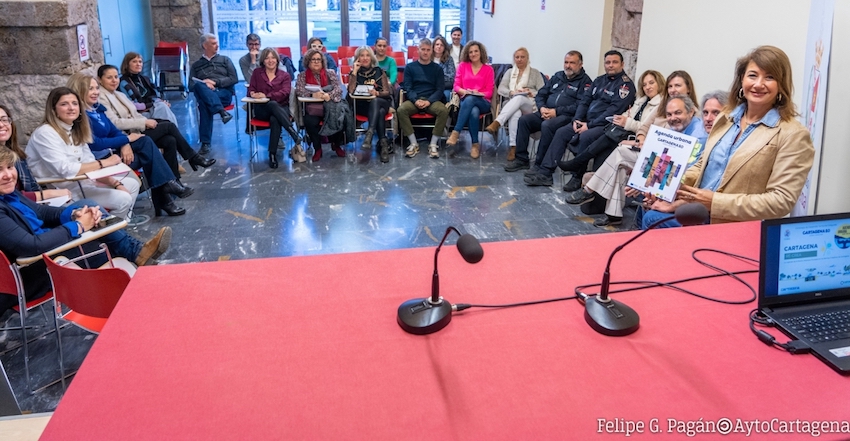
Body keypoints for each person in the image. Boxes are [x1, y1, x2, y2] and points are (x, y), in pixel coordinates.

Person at [640, 46, 814, 228]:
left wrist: (715, 202)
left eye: (769, 77)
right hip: (698, 212)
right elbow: (703, 164)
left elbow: (781, 201)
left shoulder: (793, 134)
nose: (758, 84)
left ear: (781, 84)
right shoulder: (726, 118)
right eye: (752, 75)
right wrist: (672, 184)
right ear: (742, 79)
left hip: (735, 226)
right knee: (649, 213)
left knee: (652, 219)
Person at [0, 148, 171, 317]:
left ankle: (139, 269)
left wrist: (75, 214)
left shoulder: (10, 194)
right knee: (102, 246)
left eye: (10, 167)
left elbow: (41, 212)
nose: (8, 175)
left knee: (87, 209)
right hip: (28, 274)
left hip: (44, 251)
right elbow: (32, 246)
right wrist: (79, 226)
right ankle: (143, 298)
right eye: (0, 170)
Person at [566, 94, 708, 226]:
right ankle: (613, 214)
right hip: (661, 168)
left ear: (691, 112)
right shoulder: (674, 128)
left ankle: (590, 191)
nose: (672, 118)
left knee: (621, 157)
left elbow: (684, 171)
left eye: (678, 113)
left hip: (679, 181)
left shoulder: (698, 135)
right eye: (669, 114)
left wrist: (646, 179)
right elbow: (660, 155)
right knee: (620, 160)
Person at [67, 73, 189, 217]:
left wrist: (125, 142)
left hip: (113, 154)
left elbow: (114, 131)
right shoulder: (80, 116)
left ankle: (166, 193)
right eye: (90, 89)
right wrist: (127, 139)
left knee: (160, 144)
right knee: (151, 150)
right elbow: (96, 144)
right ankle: (166, 193)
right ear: (79, 90)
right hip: (101, 161)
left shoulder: (97, 109)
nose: (95, 92)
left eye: (96, 88)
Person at [525, 50, 636, 188]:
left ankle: (577, 177)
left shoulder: (625, 86)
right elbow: (584, 101)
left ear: (622, 64)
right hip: (585, 121)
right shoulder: (599, 80)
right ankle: (545, 173)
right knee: (561, 132)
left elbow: (612, 112)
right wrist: (577, 119)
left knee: (585, 136)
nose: (611, 65)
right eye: (608, 62)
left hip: (604, 125)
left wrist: (589, 125)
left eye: (615, 62)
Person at [26, 87, 140, 220]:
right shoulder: (45, 133)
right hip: (64, 190)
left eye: (75, 103)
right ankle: (112, 229)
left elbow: (90, 163)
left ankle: (116, 226)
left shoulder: (75, 130)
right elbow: (65, 169)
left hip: (84, 182)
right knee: (123, 199)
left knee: (132, 184)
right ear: (53, 110)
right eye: (64, 104)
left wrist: (116, 183)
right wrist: (105, 162)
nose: (71, 108)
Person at [97, 65, 216, 176]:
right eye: (109, 77)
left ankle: (174, 180)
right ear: (100, 80)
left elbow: (135, 114)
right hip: (128, 135)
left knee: (170, 140)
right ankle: (193, 157)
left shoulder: (119, 94)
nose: (114, 80)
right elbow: (114, 123)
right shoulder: (101, 97)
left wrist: (145, 122)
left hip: (136, 128)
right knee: (169, 127)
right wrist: (144, 123)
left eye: (116, 77)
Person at [556, 69, 664, 177]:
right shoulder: (642, 100)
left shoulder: (661, 105)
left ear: (659, 83)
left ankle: (578, 164)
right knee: (605, 143)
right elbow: (629, 113)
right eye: (644, 85)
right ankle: (590, 178)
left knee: (603, 139)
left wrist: (627, 122)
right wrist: (621, 118)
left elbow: (648, 128)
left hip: (637, 138)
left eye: (651, 83)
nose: (647, 87)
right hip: (624, 131)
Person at [503, 51, 592, 173]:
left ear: (580, 64)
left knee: (547, 125)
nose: (568, 66)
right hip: (546, 111)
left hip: (566, 116)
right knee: (524, 120)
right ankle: (521, 159)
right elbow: (541, 94)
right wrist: (542, 108)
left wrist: (556, 112)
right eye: (566, 62)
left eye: (572, 63)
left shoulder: (585, 82)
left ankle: (539, 164)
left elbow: (580, 105)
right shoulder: (558, 76)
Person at [0, 105, 74, 202]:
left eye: (4, 120)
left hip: (34, 205)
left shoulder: (18, 155)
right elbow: (9, 197)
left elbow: (33, 186)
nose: (1, 125)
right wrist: (48, 194)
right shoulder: (44, 133)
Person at [484, 47, 545, 161]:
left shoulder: (535, 73)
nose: (519, 59)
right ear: (514, 59)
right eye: (517, 57)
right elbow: (501, 89)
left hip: (530, 104)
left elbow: (543, 91)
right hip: (511, 104)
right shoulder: (509, 72)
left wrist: (530, 92)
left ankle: (498, 122)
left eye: (522, 57)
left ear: (527, 58)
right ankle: (513, 147)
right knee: (515, 112)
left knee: (520, 98)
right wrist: (512, 92)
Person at [249, 47, 305, 168]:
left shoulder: (285, 75)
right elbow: (251, 89)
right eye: (267, 58)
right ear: (263, 61)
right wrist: (253, 93)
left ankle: (272, 154)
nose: (270, 60)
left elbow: (285, 93)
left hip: (281, 108)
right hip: (262, 110)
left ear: (277, 60)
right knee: (272, 104)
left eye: (273, 57)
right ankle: (292, 132)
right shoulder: (257, 73)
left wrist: (266, 95)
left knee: (275, 118)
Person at [396, 38, 448, 159]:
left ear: (432, 51)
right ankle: (414, 143)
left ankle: (433, 144)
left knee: (443, 111)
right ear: (418, 50)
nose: (425, 52)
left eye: (428, 50)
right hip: (415, 99)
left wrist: (429, 101)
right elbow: (408, 87)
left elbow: (440, 89)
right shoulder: (410, 67)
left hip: (431, 100)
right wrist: (415, 100)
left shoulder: (437, 69)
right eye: (423, 49)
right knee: (401, 110)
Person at [190, 33, 238, 155]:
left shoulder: (225, 60)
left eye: (217, 43)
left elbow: (234, 78)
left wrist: (215, 82)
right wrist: (205, 85)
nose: (217, 45)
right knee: (199, 87)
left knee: (204, 103)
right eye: (213, 43)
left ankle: (205, 144)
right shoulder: (196, 65)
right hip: (206, 94)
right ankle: (222, 112)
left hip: (223, 94)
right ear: (205, 46)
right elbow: (190, 85)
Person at [295, 48, 346, 162]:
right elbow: (299, 90)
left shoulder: (330, 73)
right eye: (313, 59)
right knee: (309, 121)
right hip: (313, 108)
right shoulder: (302, 76)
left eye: (318, 59)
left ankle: (336, 145)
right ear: (308, 61)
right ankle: (317, 148)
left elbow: (338, 89)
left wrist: (328, 95)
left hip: (330, 106)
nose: (316, 62)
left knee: (340, 116)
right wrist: (312, 95)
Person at [446, 40, 494, 159]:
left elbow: (489, 92)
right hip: (466, 101)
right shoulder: (463, 66)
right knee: (473, 111)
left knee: (472, 99)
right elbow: (456, 86)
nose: (473, 54)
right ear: (467, 54)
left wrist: (478, 93)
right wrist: (465, 92)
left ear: (481, 52)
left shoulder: (488, 69)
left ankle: (456, 132)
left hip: (483, 101)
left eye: (476, 51)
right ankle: (475, 145)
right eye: (471, 52)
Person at [347, 46, 393, 162]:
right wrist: (355, 71)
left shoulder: (379, 71)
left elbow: (387, 92)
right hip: (363, 106)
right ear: (357, 58)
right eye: (362, 55)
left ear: (371, 57)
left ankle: (370, 133)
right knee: (380, 112)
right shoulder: (354, 73)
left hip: (381, 101)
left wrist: (377, 93)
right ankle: (383, 145)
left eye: (367, 55)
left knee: (375, 101)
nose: (365, 58)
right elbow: (351, 92)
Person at [118, 52, 179, 125]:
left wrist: (161, 101)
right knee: (162, 108)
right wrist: (152, 104)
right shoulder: (123, 82)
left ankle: (169, 129)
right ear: (127, 64)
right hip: (138, 113)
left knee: (163, 107)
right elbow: (129, 104)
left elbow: (156, 95)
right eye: (134, 61)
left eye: (140, 62)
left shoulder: (146, 79)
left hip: (152, 107)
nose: (138, 64)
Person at [432, 36, 456, 102]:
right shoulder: (428, 59)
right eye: (437, 44)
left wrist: (437, 76)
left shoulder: (449, 59)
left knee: (446, 96)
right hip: (430, 87)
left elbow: (451, 77)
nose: (439, 47)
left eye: (442, 45)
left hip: (445, 87)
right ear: (433, 46)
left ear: (444, 47)